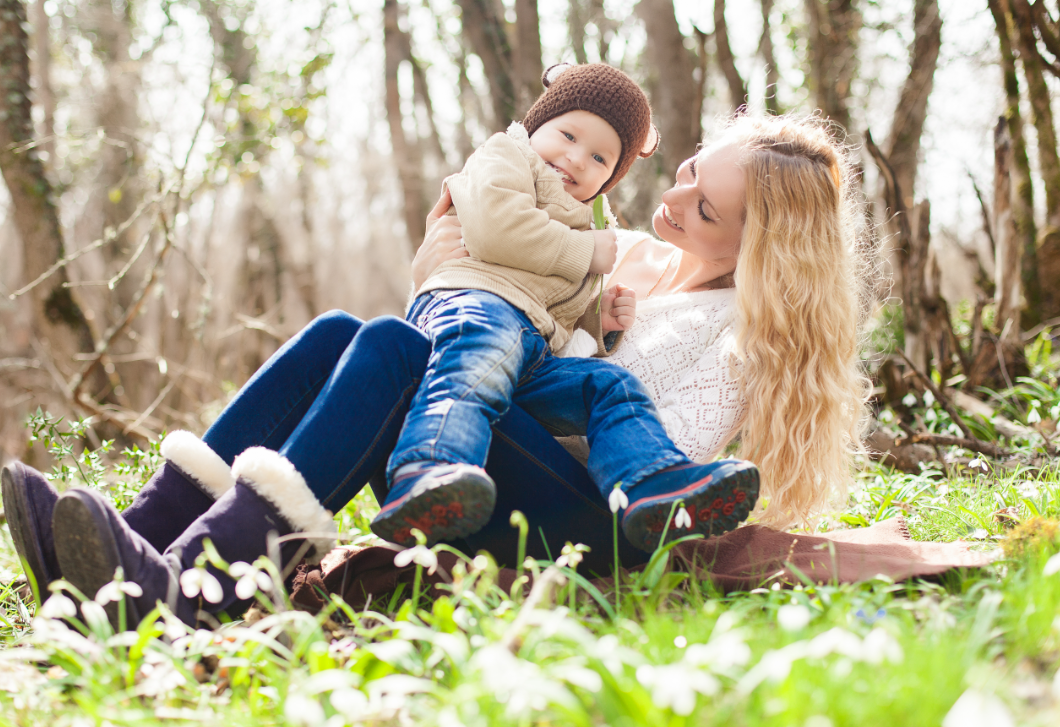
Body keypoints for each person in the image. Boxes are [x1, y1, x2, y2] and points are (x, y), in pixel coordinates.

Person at [2, 112, 869, 628]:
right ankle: (145, 533)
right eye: (685, 175)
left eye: (705, 208)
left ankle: (190, 592)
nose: (673, 200)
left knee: (391, 346)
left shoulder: (738, 337)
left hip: (589, 519)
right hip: (505, 445)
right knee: (354, 329)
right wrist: (445, 270)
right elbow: (500, 325)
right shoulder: (634, 260)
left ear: (759, 250)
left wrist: (518, 353)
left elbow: (644, 471)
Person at [374, 62, 757, 551]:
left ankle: (654, 484)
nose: (577, 159)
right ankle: (429, 471)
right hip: (482, 327)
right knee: (449, 355)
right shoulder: (511, 164)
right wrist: (424, 275)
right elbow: (487, 246)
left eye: (599, 158)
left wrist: (596, 323)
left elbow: (552, 309)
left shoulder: (596, 237)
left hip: (534, 391)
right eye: (691, 171)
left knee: (613, 386)